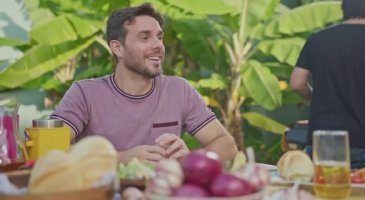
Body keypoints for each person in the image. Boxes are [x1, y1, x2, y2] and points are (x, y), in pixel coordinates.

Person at [51, 3, 238, 163]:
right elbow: (50, 150)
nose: (158, 45)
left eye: (159, 37)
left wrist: (189, 161)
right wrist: (122, 159)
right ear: (118, 48)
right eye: (145, 37)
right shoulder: (85, 93)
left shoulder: (179, 90)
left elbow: (227, 146)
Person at [290, 0, 365, 169]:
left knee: (321, 191)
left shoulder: (318, 39)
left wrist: (314, 96)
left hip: (323, 138)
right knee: (362, 194)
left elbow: (297, 83)